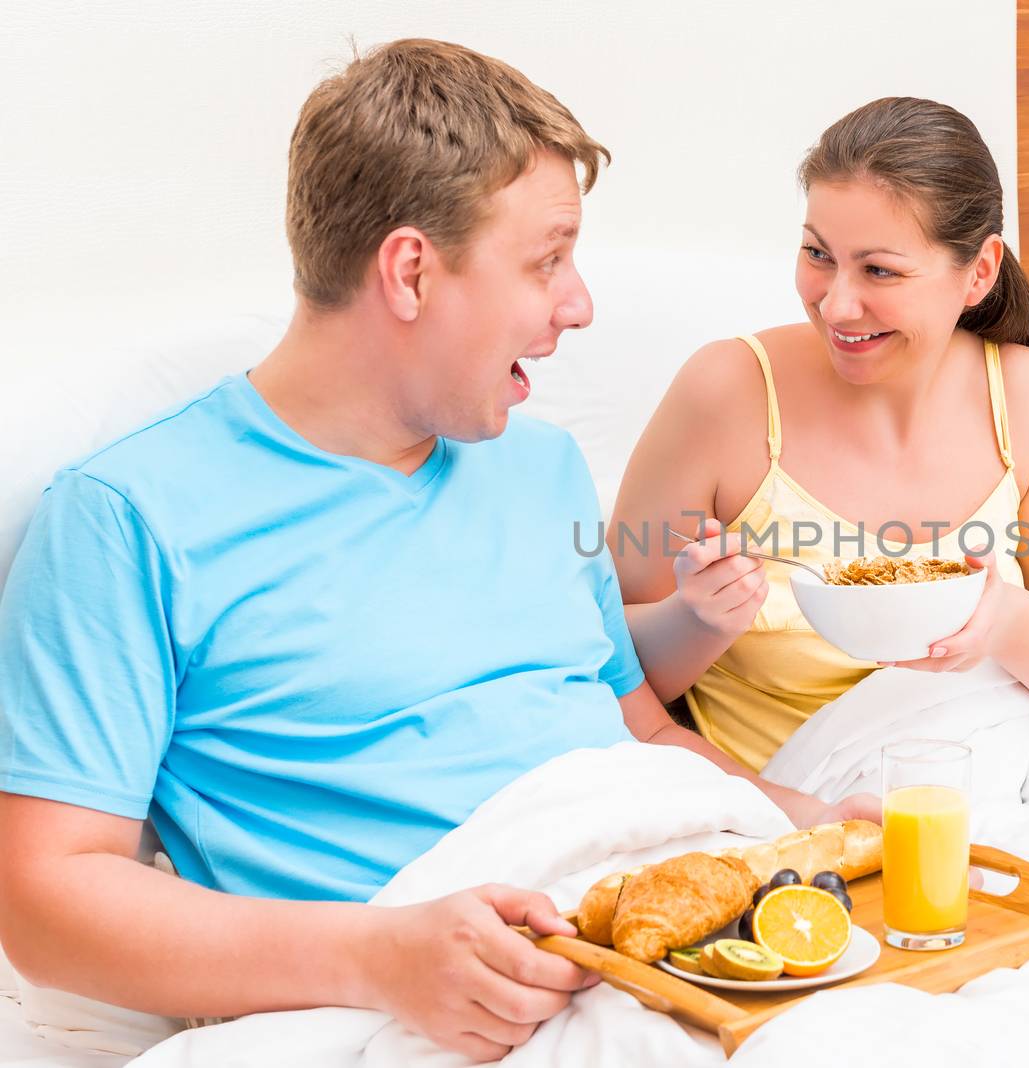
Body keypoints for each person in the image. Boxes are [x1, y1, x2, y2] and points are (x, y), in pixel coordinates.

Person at [0, 39, 867, 1063]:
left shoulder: (539, 467)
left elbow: (639, 736)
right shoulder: (126, 519)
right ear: (411, 271)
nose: (579, 303)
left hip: (676, 928)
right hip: (446, 993)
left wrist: (821, 827)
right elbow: (45, 903)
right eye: (547, 260)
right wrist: (378, 959)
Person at [613, 97, 1029, 772]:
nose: (836, 304)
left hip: (986, 779)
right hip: (799, 813)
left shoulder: (1018, 390)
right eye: (817, 254)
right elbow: (599, 672)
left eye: (880, 270)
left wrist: (1005, 621)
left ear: (979, 273)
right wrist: (694, 622)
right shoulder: (726, 393)